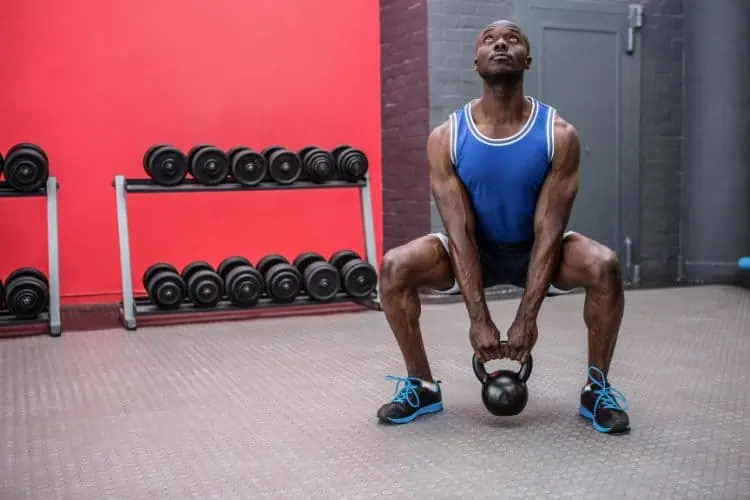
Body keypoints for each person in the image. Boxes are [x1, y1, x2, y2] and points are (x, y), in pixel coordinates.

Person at [376, 20, 630, 434]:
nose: (500, 44)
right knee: (394, 267)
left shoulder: (558, 135)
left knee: (604, 265)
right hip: (475, 249)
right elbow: (459, 234)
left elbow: (549, 232)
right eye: (489, 40)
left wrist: (527, 317)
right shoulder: (446, 137)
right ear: (476, 61)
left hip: (536, 249)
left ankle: (596, 388)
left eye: (512, 39)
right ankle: (421, 385)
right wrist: (479, 319)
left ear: (526, 59)